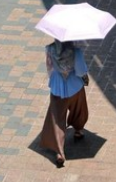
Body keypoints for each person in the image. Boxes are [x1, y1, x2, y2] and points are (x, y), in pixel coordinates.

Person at [39, 39, 89, 167]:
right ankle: (78, 130)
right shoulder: (75, 51)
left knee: (56, 117)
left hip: (57, 87)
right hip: (74, 85)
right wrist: (85, 77)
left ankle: (59, 152)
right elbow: (80, 70)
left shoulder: (50, 49)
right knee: (79, 109)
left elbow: (49, 68)